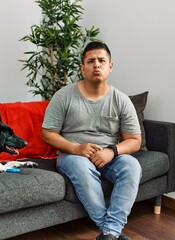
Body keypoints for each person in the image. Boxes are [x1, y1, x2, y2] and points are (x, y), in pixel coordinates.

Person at [42, 41, 142, 240]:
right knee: (81, 167)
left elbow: (134, 140)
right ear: (83, 68)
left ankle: (109, 233)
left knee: (132, 166)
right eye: (91, 61)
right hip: (73, 155)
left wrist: (112, 151)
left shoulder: (121, 100)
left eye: (102, 60)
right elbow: (48, 133)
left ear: (110, 67)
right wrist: (76, 148)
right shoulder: (63, 96)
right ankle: (112, 231)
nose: (97, 65)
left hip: (109, 156)